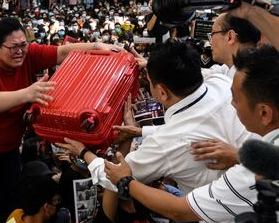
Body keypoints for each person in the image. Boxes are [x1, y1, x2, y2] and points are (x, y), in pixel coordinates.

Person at [0, 16, 122, 223]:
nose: (20, 51)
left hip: (7, 145)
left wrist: (97, 46)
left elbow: (62, 52)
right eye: (13, 47)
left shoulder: (28, 54)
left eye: (23, 45)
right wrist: (28, 93)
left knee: (12, 199)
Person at [103, 46, 279, 223]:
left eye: (235, 98)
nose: (231, 102)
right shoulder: (221, 83)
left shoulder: (248, 175)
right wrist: (239, 156)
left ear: (264, 112)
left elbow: (179, 211)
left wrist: (124, 181)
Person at [59, 41, 251, 196]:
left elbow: (115, 176)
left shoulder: (167, 142)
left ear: (161, 91)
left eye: (150, 82)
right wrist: (142, 131)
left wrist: (83, 152)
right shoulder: (223, 83)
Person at [204, 13, 260, 79]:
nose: (210, 42)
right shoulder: (233, 66)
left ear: (230, 37)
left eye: (213, 34)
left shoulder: (245, 81)